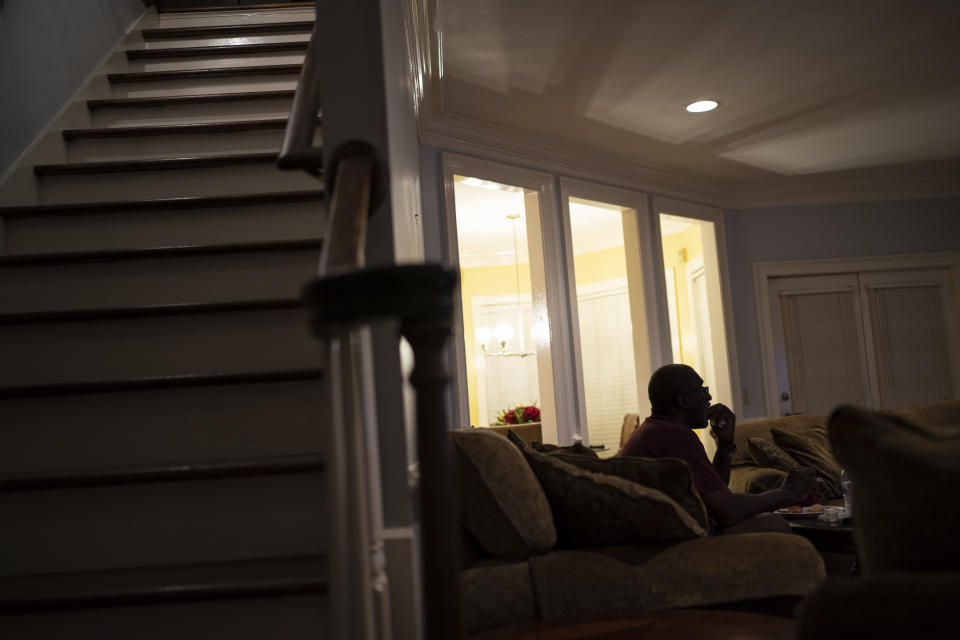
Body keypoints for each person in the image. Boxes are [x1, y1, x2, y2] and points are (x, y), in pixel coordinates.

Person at [619, 364, 819, 534]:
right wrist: (787, 492)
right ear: (683, 401)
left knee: (764, 517)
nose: (709, 397)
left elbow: (716, 493)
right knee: (773, 523)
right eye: (702, 391)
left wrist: (724, 447)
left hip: (671, 530)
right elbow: (728, 511)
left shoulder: (655, 429)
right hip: (674, 538)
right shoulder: (675, 436)